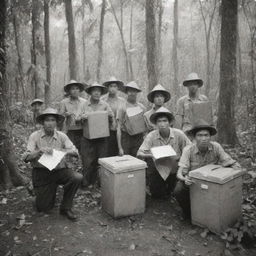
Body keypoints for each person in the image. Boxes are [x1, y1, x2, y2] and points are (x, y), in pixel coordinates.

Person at [174, 119, 241, 219]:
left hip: (211, 182)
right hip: (193, 182)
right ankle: (189, 212)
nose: (203, 138)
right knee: (178, 191)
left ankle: (216, 213)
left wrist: (236, 170)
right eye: (200, 135)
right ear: (194, 137)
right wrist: (184, 179)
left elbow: (228, 161)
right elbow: (179, 173)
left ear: (210, 137)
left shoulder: (216, 147)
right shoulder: (188, 150)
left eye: (206, 135)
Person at [24, 108, 82, 221]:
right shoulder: (34, 136)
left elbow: (75, 152)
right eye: (47, 120)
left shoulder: (62, 136)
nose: (50, 123)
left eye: (52, 120)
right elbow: (26, 157)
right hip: (41, 173)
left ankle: (66, 208)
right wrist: (39, 151)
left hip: (59, 171)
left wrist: (60, 151)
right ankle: (44, 192)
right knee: (43, 208)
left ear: (56, 122)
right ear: (42, 123)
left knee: (77, 177)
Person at [137, 107, 191, 198]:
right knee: (157, 195)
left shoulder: (179, 134)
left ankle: (173, 185)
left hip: (175, 167)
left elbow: (190, 149)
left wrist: (182, 164)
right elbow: (139, 153)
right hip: (158, 167)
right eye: (159, 121)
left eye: (165, 121)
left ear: (169, 122)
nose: (162, 124)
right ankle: (156, 185)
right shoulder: (151, 135)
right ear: (156, 124)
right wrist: (152, 155)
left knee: (174, 193)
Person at [80, 82, 114, 187]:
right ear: (90, 92)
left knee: (102, 161)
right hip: (87, 138)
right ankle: (86, 183)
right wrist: (82, 117)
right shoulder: (84, 104)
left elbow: (112, 118)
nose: (96, 93)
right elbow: (77, 119)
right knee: (87, 161)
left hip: (102, 138)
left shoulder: (105, 104)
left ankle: (101, 184)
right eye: (94, 91)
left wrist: (109, 116)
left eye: (99, 91)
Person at [116, 81, 146, 157]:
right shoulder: (122, 107)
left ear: (137, 92)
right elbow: (118, 128)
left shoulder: (141, 107)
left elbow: (145, 126)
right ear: (126, 92)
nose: (132, 93)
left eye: (134, 91)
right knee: (126, 160)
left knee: (138, 159)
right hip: (126, 138)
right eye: (130, 91)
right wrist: (120, 148)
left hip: (139, 138)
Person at [59, 80, 87, 153]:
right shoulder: (64, 102)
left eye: (77, 89)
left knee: (82, 150)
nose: (75, 91)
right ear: (69, 91)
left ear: (79, 90)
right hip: (69, 130)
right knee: (70, 150)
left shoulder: (84, 102)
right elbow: (59, 118)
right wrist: (65, 115)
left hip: (82, 130)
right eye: (73, 89)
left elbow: (88, 114)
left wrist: (83, 116)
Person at [102, 76, 125, 156]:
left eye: (115, 86)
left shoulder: (122, 101)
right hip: (106, 131)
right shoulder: (103, 100)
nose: (113, 88)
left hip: (119, 130)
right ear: (108, 88)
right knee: (106, 153)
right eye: (111, 86)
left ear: (118, 88)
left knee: (119, 154)